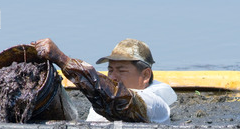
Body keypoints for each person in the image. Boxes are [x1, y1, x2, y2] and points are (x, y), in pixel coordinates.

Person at [31, 38, 177, 124]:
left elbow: (118, 99)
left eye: (121, 70)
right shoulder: (103, 102)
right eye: (111, 70)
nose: (112, 77)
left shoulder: (153, 103)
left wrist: (62, 60)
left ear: (145, 76)